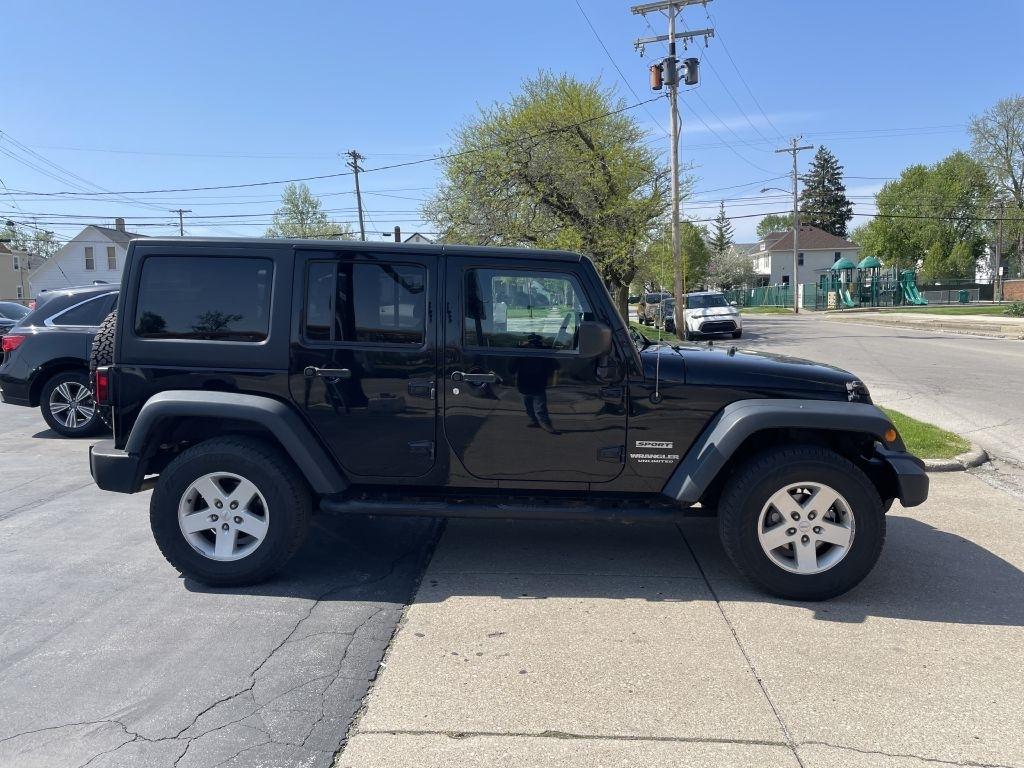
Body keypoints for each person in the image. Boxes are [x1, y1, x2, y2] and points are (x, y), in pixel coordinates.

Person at [510, 333, 559, 434]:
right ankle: (534, 420)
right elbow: (511, 367)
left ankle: (545, 423)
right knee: (528, 407)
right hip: (525, 385)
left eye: (536, 342)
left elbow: (555, 364)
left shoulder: (543, 352)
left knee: (540, 408)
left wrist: (546, 348)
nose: (533, 345)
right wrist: (519, 347)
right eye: (531, 342)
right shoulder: (522, 352)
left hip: (537, 385)